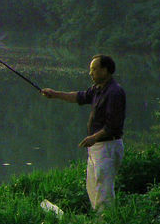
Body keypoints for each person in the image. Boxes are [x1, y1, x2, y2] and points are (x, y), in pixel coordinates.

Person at [41, 55, 126, 211]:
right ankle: (99, 222)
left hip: (107, 146)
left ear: (105, 70)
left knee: (104, 190)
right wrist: (55, 94)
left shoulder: (114, 92)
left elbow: (113, 126)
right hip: (96, 147)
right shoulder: (97, 89)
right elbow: (79, 97)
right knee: (92, 187)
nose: (90, 73)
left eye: (94, 69)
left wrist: (93, 138)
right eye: (90, 69)